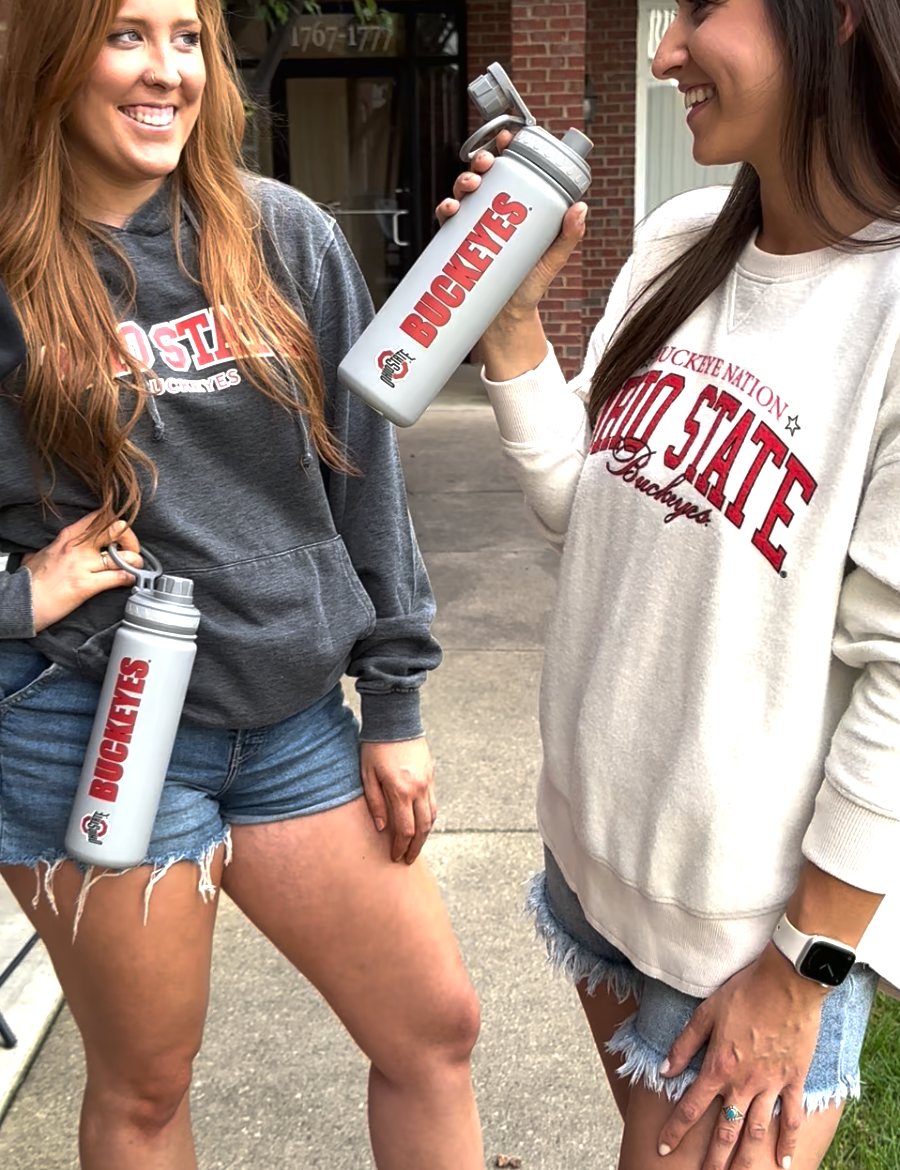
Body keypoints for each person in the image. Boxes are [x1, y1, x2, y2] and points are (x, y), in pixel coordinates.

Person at [0, 2, 484, 1168]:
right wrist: (20, 597)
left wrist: (397, 697)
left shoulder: (284, 233)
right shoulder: (13, 267)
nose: (166, 71)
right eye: (125, 35)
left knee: (435, 1029)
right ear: (50, 55)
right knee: (148, 1086)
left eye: (187, 38)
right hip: (91, 720)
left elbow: (364, 475)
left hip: (295, 717)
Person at [441, 0, 900, 1167]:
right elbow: (582, 511)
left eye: (701, 9)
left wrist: (804, 973)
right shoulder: (682, 236)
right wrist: (511, 320)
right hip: (597, 870)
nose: (663, 54)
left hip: (750, 944)